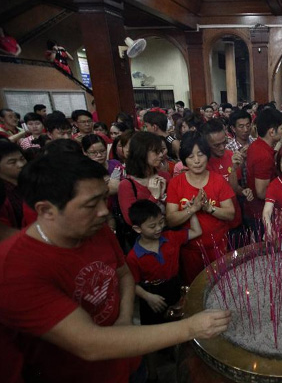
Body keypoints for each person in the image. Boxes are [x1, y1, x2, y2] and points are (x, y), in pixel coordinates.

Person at [0, 153, 231, 383]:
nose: (104, 211)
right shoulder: (15, 269)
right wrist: (191, 328)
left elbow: (123, 274)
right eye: (91, 204)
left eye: (103, 198)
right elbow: (89, 343)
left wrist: (123, 321)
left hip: (128, 356)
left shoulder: (94, 228)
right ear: (46, 210)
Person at [126, 199, 202, 381]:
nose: (159, 228)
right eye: (152, 226)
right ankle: (152, 374)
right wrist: (148, 297)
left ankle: (180, 362)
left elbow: (197, 231)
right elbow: (130, 284)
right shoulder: (133, 256)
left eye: (161, 222)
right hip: (151, 295)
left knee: (179, 325)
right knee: (150, 337)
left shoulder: (170, 237)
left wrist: (191, 211)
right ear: (138, 229)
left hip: (174, 287)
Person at [165, 132, 235, 285]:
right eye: (190, 157)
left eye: (201, 154)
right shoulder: (176, 183)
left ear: (207, 155)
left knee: (221, 287)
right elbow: (171, 220)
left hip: (218, 248)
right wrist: (194, 208)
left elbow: (230, 214)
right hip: (190, 252)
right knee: (195, 290)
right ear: (184, 159)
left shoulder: (218, 180)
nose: (196, 161)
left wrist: (210, 208)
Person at [244, 108, 282, 232]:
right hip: (260, 213)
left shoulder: (257, 145)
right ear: (272, 132)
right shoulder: (263, 155)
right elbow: (261, 192)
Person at [118, 132, 170, 226]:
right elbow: (132, 220)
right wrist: (154, 197)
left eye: (161, 151)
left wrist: (163, 197)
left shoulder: (165, 176)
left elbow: (174, 208)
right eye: (156, 151)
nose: (161, 155)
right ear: (141, 152)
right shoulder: (127, 185)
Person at [0, 141, 26, 229]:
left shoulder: (30, 181)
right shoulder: (3, 195)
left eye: (22, 159)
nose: (21, 164)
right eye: (12, 162)